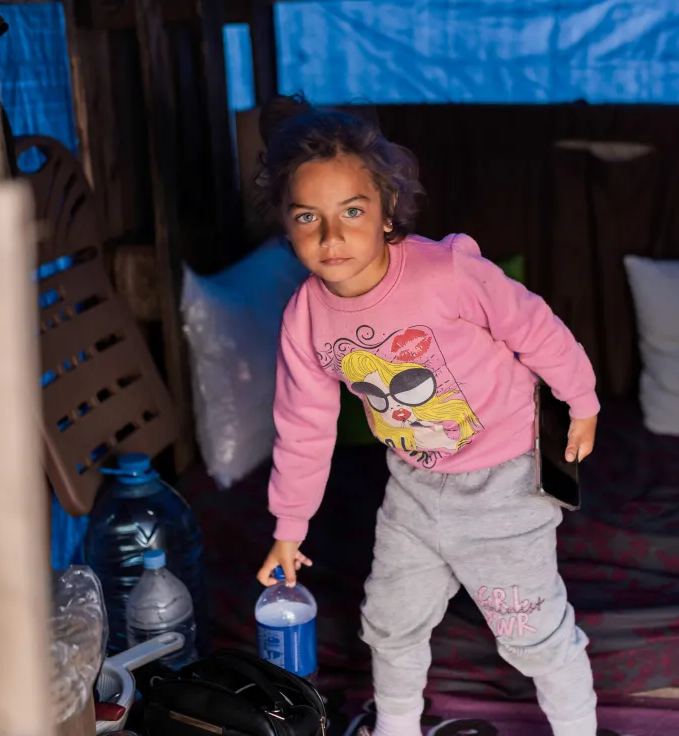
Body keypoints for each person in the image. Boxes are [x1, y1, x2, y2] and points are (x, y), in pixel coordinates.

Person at [252, 94, 600, 736]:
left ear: (387, 211)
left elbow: (535, 327)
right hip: (413, 485)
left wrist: (581, 400)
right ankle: (399, 725)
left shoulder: (446, 274)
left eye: (352, 211)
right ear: (286, 223)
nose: (332, 236)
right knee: (388, 619)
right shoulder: (305, 317)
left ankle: (576, 726)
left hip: (506, 482)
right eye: (309, 216)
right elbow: (303, 426)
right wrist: (289, 526)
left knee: (531, 633)